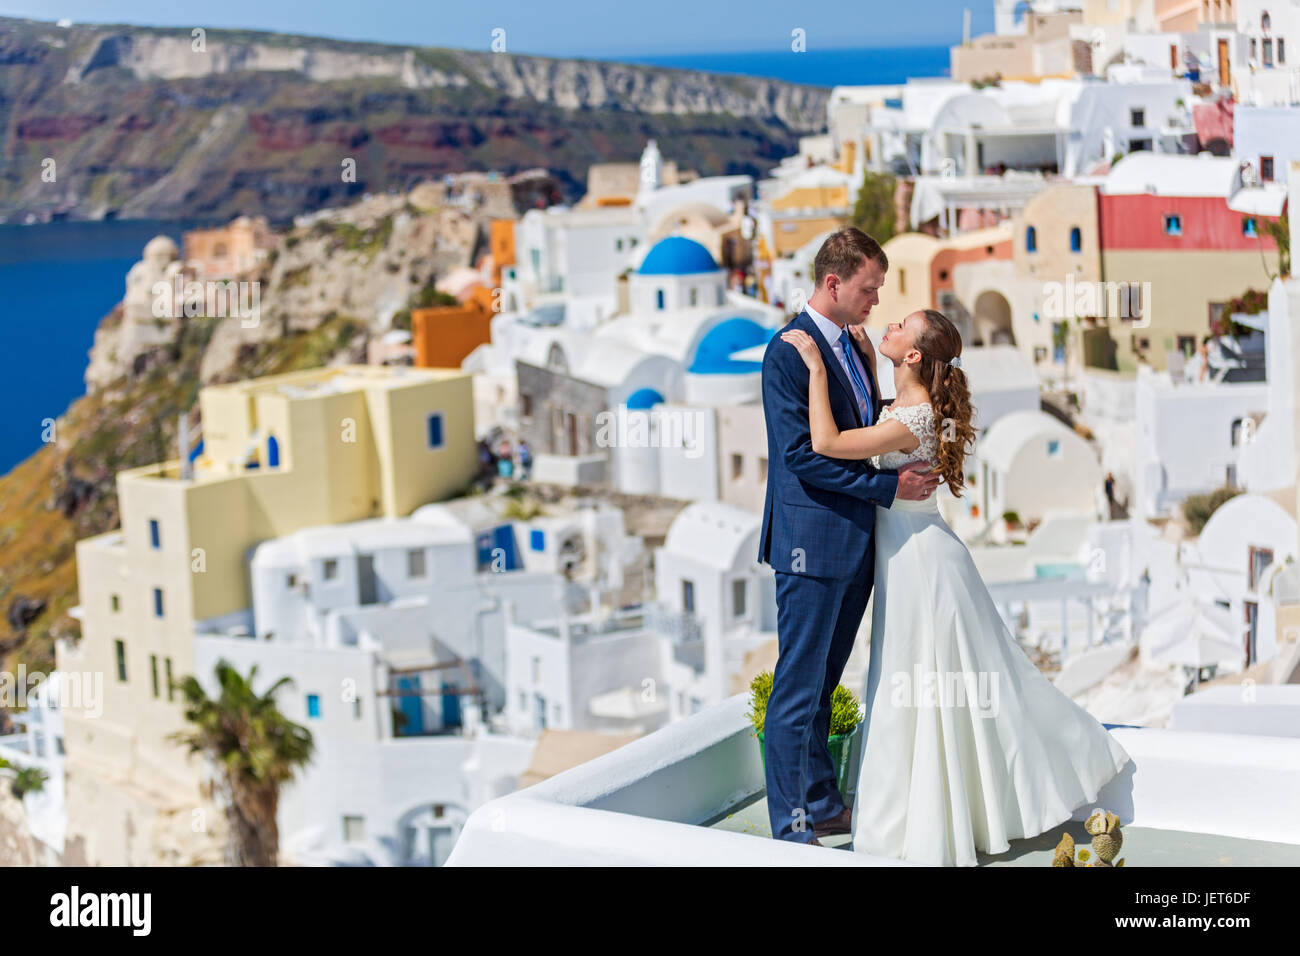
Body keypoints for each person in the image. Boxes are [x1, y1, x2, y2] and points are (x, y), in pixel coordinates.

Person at [779, 306, 1131, 866]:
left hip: (924, 566)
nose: (886, 326)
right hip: (909, 558)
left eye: (899, 327)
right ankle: (937, 814)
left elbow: (824, 442)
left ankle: (928, 820)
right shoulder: (906, 407)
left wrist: (817, 371)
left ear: (914, 354)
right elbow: (876, 432)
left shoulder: (913, 418)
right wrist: (869, 367)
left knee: (924, 685)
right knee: (928, 687)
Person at [757, 228, 940, 847]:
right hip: (810, 548)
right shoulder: (789, 351)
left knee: (823, 685)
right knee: (796, 690)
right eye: (868, 288)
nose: (875, 301)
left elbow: (868, 429)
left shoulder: (855, 346)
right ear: (833, 283)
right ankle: (794, 827)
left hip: (854, 545)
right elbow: (803, 455)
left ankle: (826, 803)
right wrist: (889, 492)